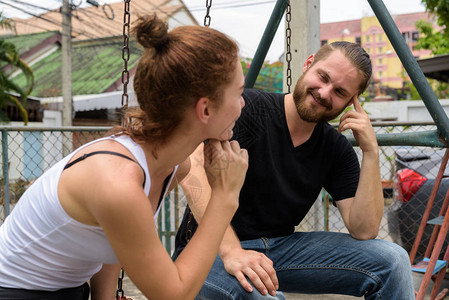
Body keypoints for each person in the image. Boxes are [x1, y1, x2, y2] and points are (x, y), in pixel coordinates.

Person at [0, 14, 248, 300]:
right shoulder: (117, 180)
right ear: (205, 109)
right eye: (239, 92)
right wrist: (225, 196)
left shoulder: (170, 163)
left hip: (66, 289)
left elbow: (116, 234)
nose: (243, 103)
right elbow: (174, 295)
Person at [174, 41, 415, 299]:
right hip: (213, 249)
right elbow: (192, 170)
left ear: (350, 102)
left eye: (340, 91)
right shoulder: (248, 108)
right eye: (323, 77)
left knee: (393, 261)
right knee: (263, 297)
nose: (324, 93)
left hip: (282, 250)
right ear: (308, 63)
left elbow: (364, 229)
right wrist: (232, 251)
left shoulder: (335, 149)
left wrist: (371, 152)